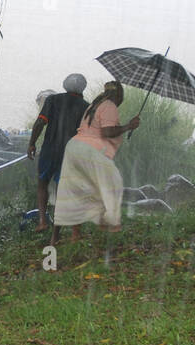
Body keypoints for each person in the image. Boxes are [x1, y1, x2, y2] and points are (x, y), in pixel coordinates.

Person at [51, 80, 140, 245]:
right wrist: (128, 126)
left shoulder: (94, 105)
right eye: (122, 96)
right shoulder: (110, 105)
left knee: (71, 191)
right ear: (118, 95)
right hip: (89, 150)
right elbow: (107, 132)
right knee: (112, 181)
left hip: (74, 148)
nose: (122, 100)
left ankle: (59, 238)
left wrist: (127, 127)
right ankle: (105, 220)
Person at [27, 74, 90, 231]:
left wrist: (32, 143)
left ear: (64, 85)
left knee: (43, 183)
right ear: (83, 88)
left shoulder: (53, 100)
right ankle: (75, 231)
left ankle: (42, 221)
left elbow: (40, 122)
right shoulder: (86, 107)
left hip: (50, 148)